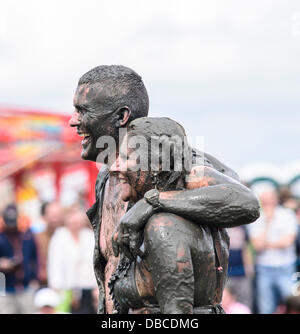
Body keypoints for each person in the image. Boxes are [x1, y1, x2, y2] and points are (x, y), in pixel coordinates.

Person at [69, 65, 260, 313]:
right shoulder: (105, 177)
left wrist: (153, 201)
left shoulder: (175, 163)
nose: (73, 120)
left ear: (121, 116)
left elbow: (246, 203)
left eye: (82, 110)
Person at [109, 117, 229, 313]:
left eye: (125, 157)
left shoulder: (164, 226)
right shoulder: (180, 211)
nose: (114, 167)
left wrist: (152, 201)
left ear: (156, 165)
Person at [247, 189, 298, 314]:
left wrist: (267, 244)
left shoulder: (287, 215)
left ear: (276, 199)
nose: (267, 203)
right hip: (264, 269)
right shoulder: (256, 217)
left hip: (285, 268)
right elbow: (257, 246)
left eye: (270, 199)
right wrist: (268, 222)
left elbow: (288, 242)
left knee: (292, 305)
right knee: (266, 308)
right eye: (264, 200)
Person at [47, 207, 97, 313]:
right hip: (66, 288)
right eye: (73, 222)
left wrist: (97, 286)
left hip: (88, 287)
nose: (75, 225)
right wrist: (56, 287)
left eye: (78, 222)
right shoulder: (59, 237)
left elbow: (94, 263)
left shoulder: (89, 236)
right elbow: (54, 264)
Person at [0, 204, 38, 314]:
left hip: (25, 286)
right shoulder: (1, 237)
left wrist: (34, 277)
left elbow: (35, 257)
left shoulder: (27, 236)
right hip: (4, 287)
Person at [35, 201, 64, 286]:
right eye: (51, 215)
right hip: (45, 284)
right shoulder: (38, 238)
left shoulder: (69, 236)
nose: (54, 219)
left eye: (57, 215)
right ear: (44, 217)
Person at [226, 226, 254, 310]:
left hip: (242, 272)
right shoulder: (222, 226)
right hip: (226, 274)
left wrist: (249, 267)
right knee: (225, 302)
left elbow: (246, 248)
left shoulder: (243, 227)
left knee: (245, 301)